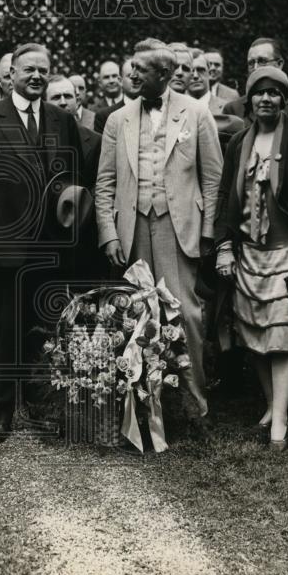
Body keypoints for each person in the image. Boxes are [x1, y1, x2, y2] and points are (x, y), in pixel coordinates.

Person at [0, 42, 84, 443]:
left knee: (46, 328)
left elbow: (74, 176)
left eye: (43, 70)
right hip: (5, 244)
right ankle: (1, 411)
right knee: (5, 330)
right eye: (28, 69)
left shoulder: (61, 120)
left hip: (51, 246)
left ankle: (43, 404)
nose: (36, 76)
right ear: (10, 74)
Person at [96, 40, 221, 418]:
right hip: (133, 229)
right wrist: (109, 233)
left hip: (178, 228)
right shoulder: (119, 119)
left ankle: (193, 404)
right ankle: (144, 408)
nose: (131, 75)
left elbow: (213, 177)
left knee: (185, 315)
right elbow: (104, 182)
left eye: (140, 70)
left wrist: (208, 232)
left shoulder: (196, 113)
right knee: (137, 317)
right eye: (131, 68)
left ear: (164, 76)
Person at [215, 67, 288, 450]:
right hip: (249, 252)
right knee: (254, 332)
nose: (266, 99)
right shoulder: (238, 143)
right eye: (259, 93)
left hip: (287, 250)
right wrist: (225, 246)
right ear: (250, 101)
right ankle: (269, 402)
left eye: (274, 93)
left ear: (284, 99)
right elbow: (225, 199)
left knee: (283, 334)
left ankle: (280, 414)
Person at [222, 38, 288, 126]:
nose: (255, 68)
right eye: (251, 63)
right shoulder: (233, 110)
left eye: (262, 61)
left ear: (279, 64)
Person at [94, 58, 140, 134]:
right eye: (130, 76)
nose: (111, 81)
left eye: (114, 76)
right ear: (120, 80)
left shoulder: (151, 105)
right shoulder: (103, 114)